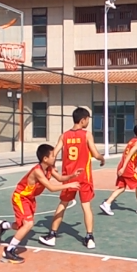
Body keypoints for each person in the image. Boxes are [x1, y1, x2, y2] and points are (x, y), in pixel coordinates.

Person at [0, 144, 81, 264]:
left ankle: (2, 225)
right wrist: (70, 185)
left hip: (30, 198)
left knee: (21, 226)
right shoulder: (37, 171)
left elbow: (60, 178)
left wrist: (72, 175)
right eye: (53, 156)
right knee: (28, 224)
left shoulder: (49, 168)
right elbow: (51, 188)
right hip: (21, 197)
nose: (55, 157)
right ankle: (9, 251)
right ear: (45, 158)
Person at [39, 107, 105, 249]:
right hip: (84, 177)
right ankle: (89, 238)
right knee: (86, 207)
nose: (88, 122)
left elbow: (54, 153)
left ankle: (52, 235)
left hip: (68, 177)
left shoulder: (64, 136)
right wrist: (102, 158)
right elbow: (95, 153)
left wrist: (52, 166)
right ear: (83, 120)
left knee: (63, 204)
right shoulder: (87, 135)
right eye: (88, 119)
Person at [99, 124, 137, 216]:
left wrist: (134, 164)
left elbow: (127, 155)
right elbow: (129, 155)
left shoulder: (132, 141)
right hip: (127, 168)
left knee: (122, 188)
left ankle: (107, 204)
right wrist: (124, 168)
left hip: (123, 166)